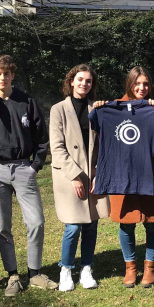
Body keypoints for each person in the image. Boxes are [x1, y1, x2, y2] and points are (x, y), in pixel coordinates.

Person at [0, 55, 57, 297]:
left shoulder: (26, 101)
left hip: (23, 168)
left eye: (7, 73)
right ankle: (13, 276)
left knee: (36, 222)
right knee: (3, 226)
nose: (3, 78)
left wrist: (35, 165)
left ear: (12, 75)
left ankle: (35, 273)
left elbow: (41, 137)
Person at [93, 67, 154, 288]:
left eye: (146, 84)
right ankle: (130, 267)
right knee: (126, 222)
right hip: (121, 173)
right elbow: (97, 129)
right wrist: (99, 109)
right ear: (129, 84)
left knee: (152, 221)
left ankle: (150, 267)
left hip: (150, 172)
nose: (142, 88)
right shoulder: (113, 107)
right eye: (137, 83)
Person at [49, 64, 110, 292]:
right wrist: (74, 176)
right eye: (80, 79)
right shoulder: (58, 109)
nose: (84, 83)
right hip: (69, 176)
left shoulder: (96, 108)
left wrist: (99, 172)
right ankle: (66, 269)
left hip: (93, 174)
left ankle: (86, 268)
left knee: (91, 225)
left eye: (88, 81)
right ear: (71, 81)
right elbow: (56, 147)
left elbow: (104, 144)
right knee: (73, 226)